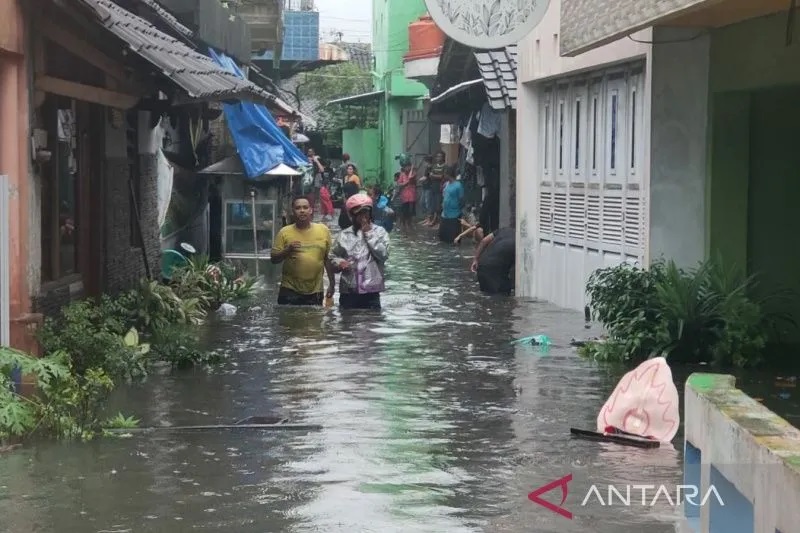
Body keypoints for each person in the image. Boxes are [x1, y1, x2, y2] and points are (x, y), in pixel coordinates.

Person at [271, 196, 336, 305]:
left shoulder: (323, 230)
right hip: (289, 289)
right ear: (293, 211)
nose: (302, 211)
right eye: (298, 208)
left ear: (310, 210)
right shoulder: (284, 232)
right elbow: (274, 259)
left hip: (315, 290)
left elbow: (327, 259)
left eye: (305, 207)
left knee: (314, 320)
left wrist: (332, 285)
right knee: (288, 320)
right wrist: (287, 250)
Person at [329, 193, 390, 310]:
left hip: (371, 290)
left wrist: (369, 233)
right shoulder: (344, 235)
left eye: (366, 212)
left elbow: (384, 255)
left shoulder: (380, 232)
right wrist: (340, 262)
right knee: (347, 322)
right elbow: (332, 256)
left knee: (372, 322)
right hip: (349, 289)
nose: (363, 217)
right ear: (351, 215)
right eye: (359, 213)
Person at [470, 227, 516, 295]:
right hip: (495, 272)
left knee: (486, 298)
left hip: (482, 265)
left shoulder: (504, 229)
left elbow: (484, 241)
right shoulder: (521, 242)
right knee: (501, 298)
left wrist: (475, 260)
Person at [438, 166, 464, 243]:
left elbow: (461, 200)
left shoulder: (458, 185)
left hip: (454, 215)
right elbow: (444, 195)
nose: (443, 175)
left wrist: (458, 209)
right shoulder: (446, 184)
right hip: (444, 215)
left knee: (453, 239)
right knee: (442, 237)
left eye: (444, 174)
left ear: (448, 174)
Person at [423, 151, 446, 227]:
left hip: (440, 187)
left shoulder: (445, 166)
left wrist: (434, 176)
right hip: (433, 187)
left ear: (443, 157)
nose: (438, 158)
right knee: (433, 205)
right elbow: (430, 175)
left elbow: (442, 176)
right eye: (437, 156)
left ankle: (437, 222)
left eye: (440, 156)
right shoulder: (434, 166)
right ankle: (433, 220)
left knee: (438, 205)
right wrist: (435, 176)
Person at [395, 153, 416, 230]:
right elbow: (399, 184)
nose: (407, 168)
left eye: (409, 166)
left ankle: (410, 225)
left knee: (411, 212)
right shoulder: (402, 174)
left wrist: (412, 169)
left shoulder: (413, 173)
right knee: (404, 212)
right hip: (404, 197)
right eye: (406, 166)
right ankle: (404, 225)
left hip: (412, 197)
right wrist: (405, 183)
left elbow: (411, 178)